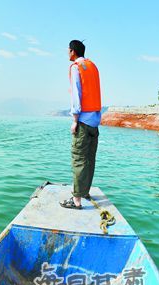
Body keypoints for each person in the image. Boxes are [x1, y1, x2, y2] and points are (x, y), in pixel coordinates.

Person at [59, 40, 102, 210]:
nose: (67, 53)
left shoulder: (77, 67)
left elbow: (76, 95)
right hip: (95, 121)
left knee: (79, 159)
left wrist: (75, 120)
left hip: (83, 121)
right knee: (90, 159)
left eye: (68, 50)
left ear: (73, 51)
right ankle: (85, 192)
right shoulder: (93, 67)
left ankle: (76, 200)